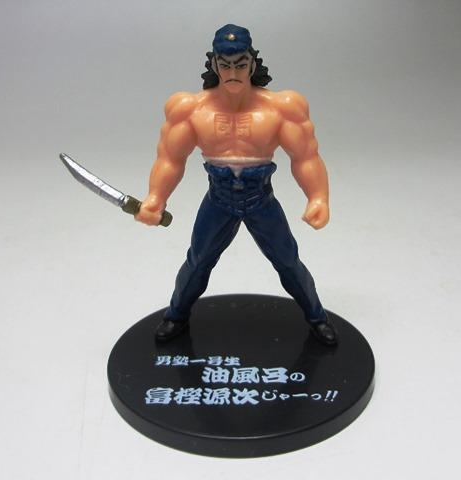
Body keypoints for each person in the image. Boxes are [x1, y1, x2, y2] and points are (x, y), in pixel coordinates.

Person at [136, 24, 338, 345]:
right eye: (225, 64)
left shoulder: (281, 107)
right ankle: (176, 316)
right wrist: (156, 198)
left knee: (288, 262)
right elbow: (171, 159)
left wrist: (318, 198)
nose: (233, 72)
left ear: (252, 64)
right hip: (218, 199)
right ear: (214, 65)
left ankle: (317, 318)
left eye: (240, 64)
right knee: (197, 261)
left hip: (261, 200)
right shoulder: (190, 108)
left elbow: (305, 157)